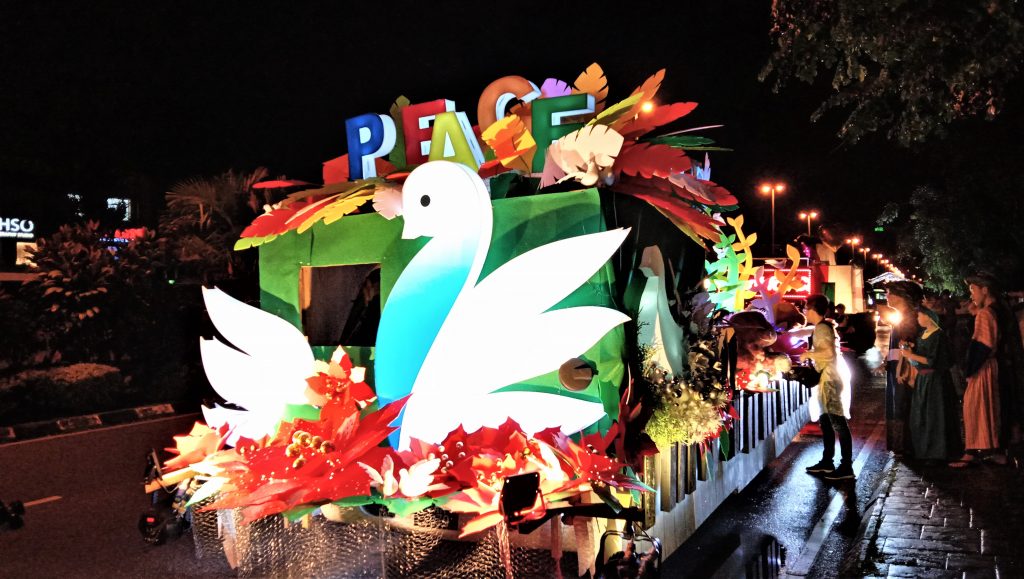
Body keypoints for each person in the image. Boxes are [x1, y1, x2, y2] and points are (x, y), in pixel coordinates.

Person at [802, 294, 855, 480]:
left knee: (838, 422)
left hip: (830, 380)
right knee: (825, 422)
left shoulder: (822, 328)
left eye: (806, 308)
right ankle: (827, 461)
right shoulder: (824, 326)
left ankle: (846, 466)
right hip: (827, 379)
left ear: (812, 309)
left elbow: (828, 353)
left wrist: (808, 354)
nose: (804, 312)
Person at [952, 273, 1003, 467]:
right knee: (984, 408)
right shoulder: (993, 311)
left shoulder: (986, 313)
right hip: (988, 366)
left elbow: (984, 345)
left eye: (973, 289)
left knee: (975, 408)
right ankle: (986, 449)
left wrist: (970, 370)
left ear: (985, 290)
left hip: (982, 368)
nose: (971, 295)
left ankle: (974, 451)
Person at [899, 308, 961, 462]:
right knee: (921, 416)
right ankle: (923, 450)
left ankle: (936, 453)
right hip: (923, 379)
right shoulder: (923, 334)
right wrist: (910, 350)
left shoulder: (938, 336)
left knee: (935, 416)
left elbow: (932, 360)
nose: (918, 318)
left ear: (928, 317)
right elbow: (919, 358)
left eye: (920, 315)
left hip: (935, 381)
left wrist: (911, 355)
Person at [884, 281, 924, 454]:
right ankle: (903, 444)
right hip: (897, 368)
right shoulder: (902, 317)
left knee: (904, 404)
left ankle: (907, 445)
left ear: (902, 296)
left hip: (904, 370)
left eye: (889, 293)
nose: (886, 296)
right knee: (900, 403)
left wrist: (899, 366)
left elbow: (907, 348)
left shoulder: (909, 319)